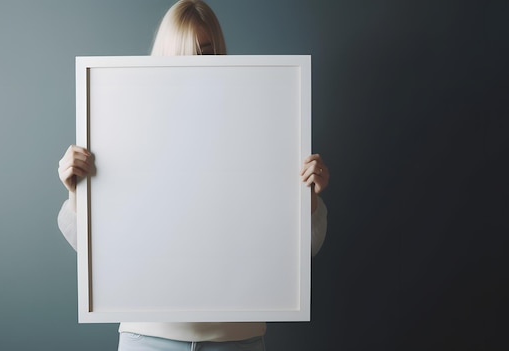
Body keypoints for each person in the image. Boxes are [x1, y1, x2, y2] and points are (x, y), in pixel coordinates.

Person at [57, 1, 329, 350]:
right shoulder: (126, 132)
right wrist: (79, 193)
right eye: (180, 56)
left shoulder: (263, 129)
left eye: (205, 54)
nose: (193, 67)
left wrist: (308, 198)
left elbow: (300, 253)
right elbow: (98, 253)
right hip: (149, 337)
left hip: (237, 339)